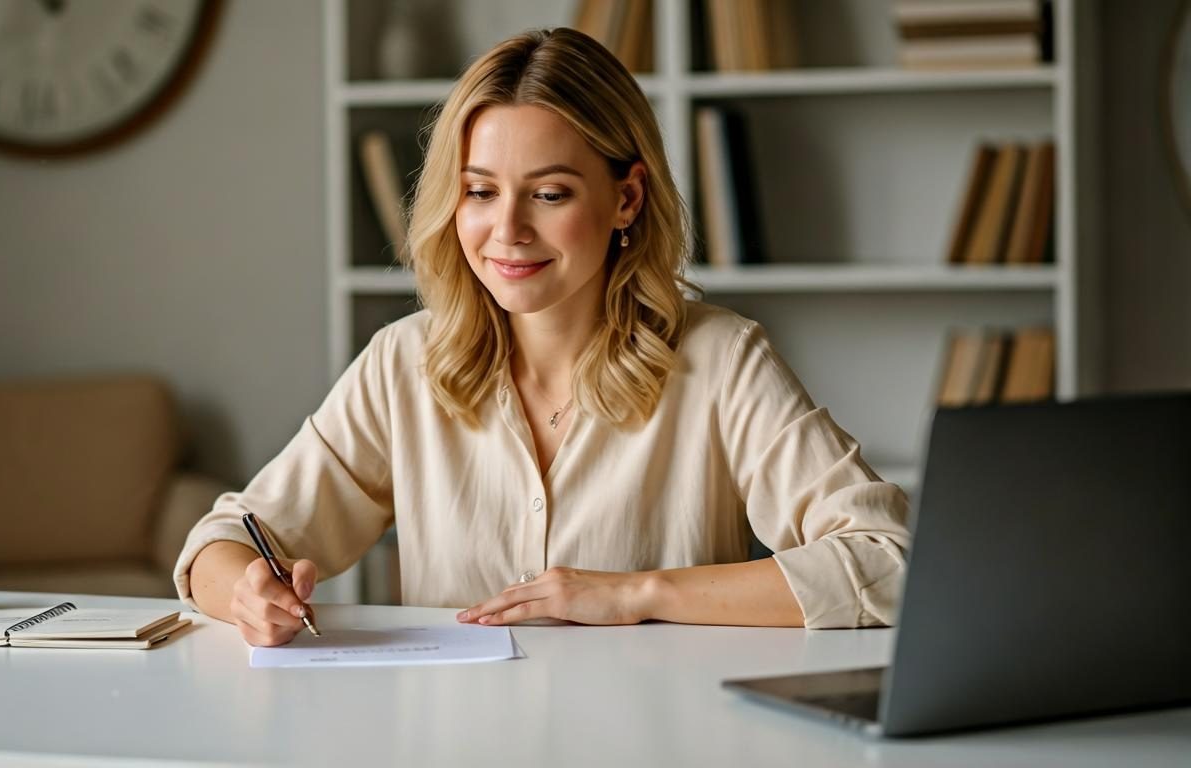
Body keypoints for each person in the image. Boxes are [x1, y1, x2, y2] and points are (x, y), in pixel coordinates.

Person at [176, 28, 909, 647]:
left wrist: (636, 595)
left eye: (550, 194)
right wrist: (245, 593)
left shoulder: (721, 360)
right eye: (480, 191)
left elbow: (891, 561)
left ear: (627, 198)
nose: (508, 231)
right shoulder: (404, 362)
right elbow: (224, 541)